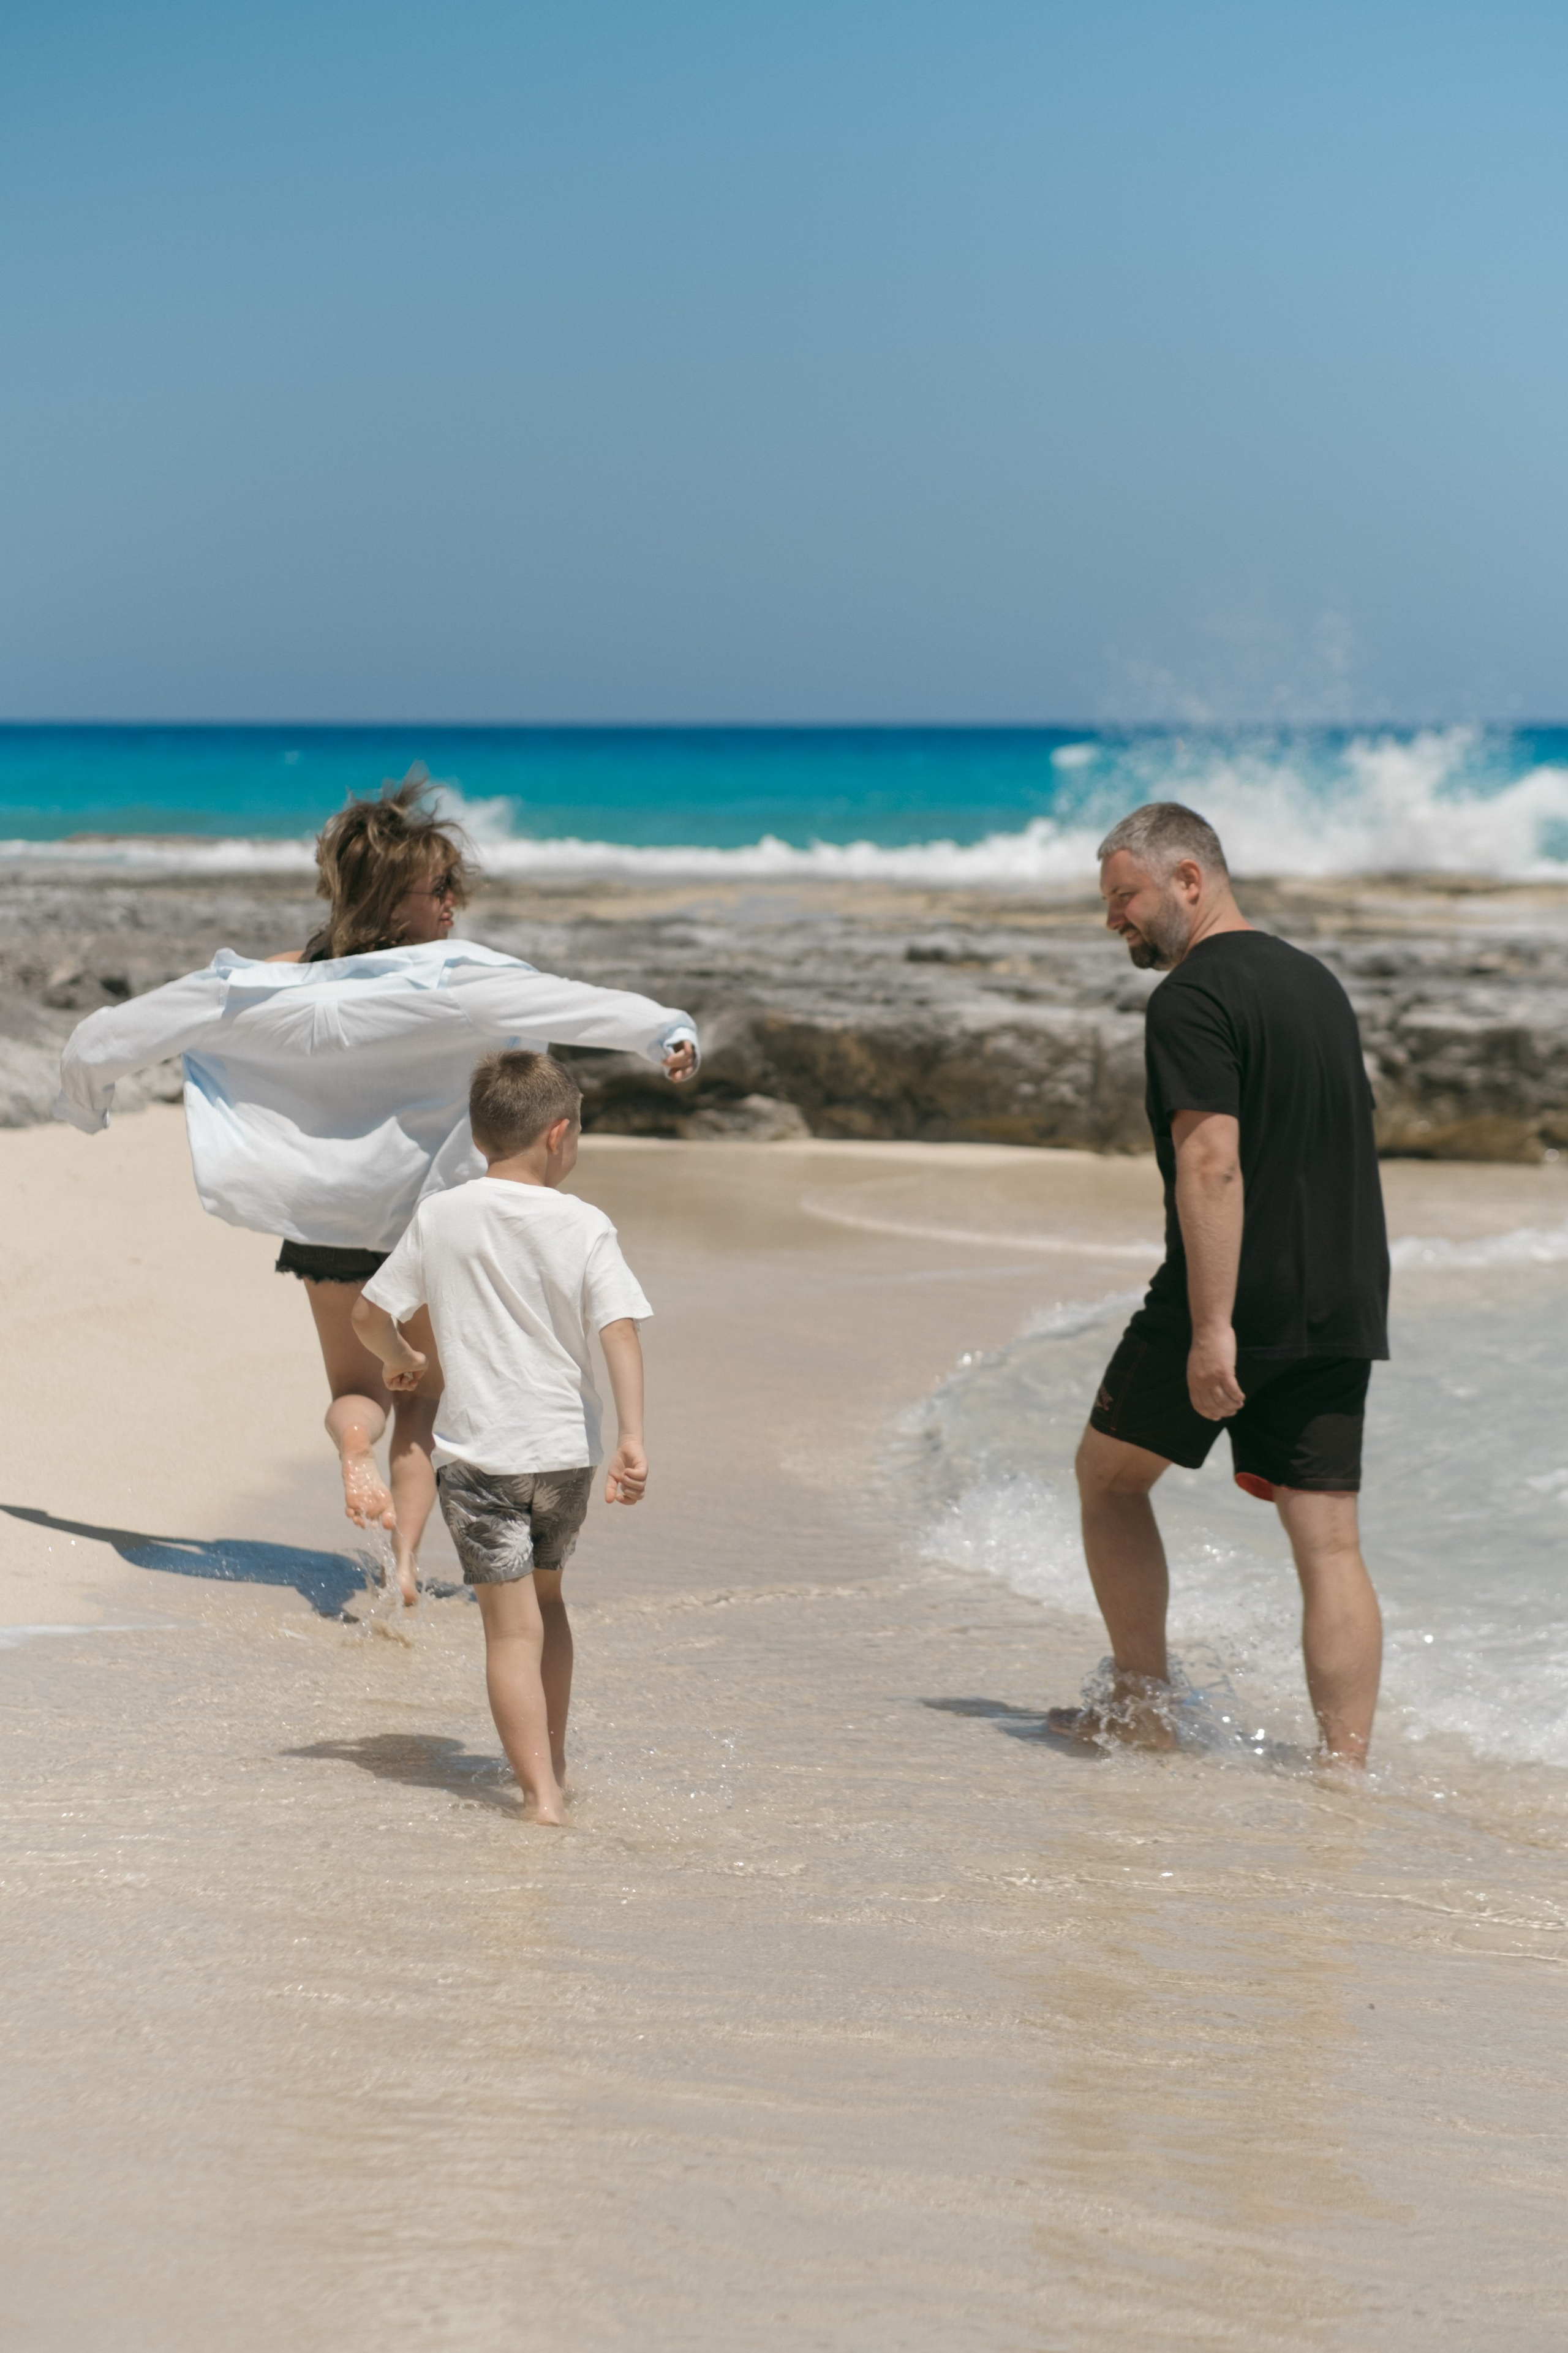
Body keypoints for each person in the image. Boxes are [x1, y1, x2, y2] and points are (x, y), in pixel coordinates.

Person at [55, 771, 696, 1604]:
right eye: (441, 888)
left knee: (356, 1392)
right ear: (398, 903)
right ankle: (401, 1570)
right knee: (423, 1402)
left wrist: (84, 1095)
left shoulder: (277, 980)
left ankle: (353, 1455)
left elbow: (124, 1028)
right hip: (417, 1228)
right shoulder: (452, 976)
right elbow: (574, 1005)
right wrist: (666, 1034)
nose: (454, 902)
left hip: (321, 1222)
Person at [1053, 801, 1389, 1767]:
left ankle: (1144, 1714)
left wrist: (1212, 1329)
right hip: (1343, 1295)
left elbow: (1212, 1165)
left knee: (1107, 1479)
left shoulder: (1191, 997)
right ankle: (1343, 1774)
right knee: (1328, 1544)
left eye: (1126, 895)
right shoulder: (1317, 982)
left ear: (1188, 880)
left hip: (1234, 1294)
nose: (1115, 917)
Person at [351, 1050, 649, 1825]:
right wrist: (632, 1437)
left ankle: (540, 1796)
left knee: (508, 1630)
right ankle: (557, 1765)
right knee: (549, 1606)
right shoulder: (585, 1222)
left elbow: (368, 1316)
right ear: (558, 1135)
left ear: (482, 1137)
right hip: (566, 1456)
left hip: (482, 1458)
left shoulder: (444, 1213)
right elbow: (617, 1328)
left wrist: (403, 1359)